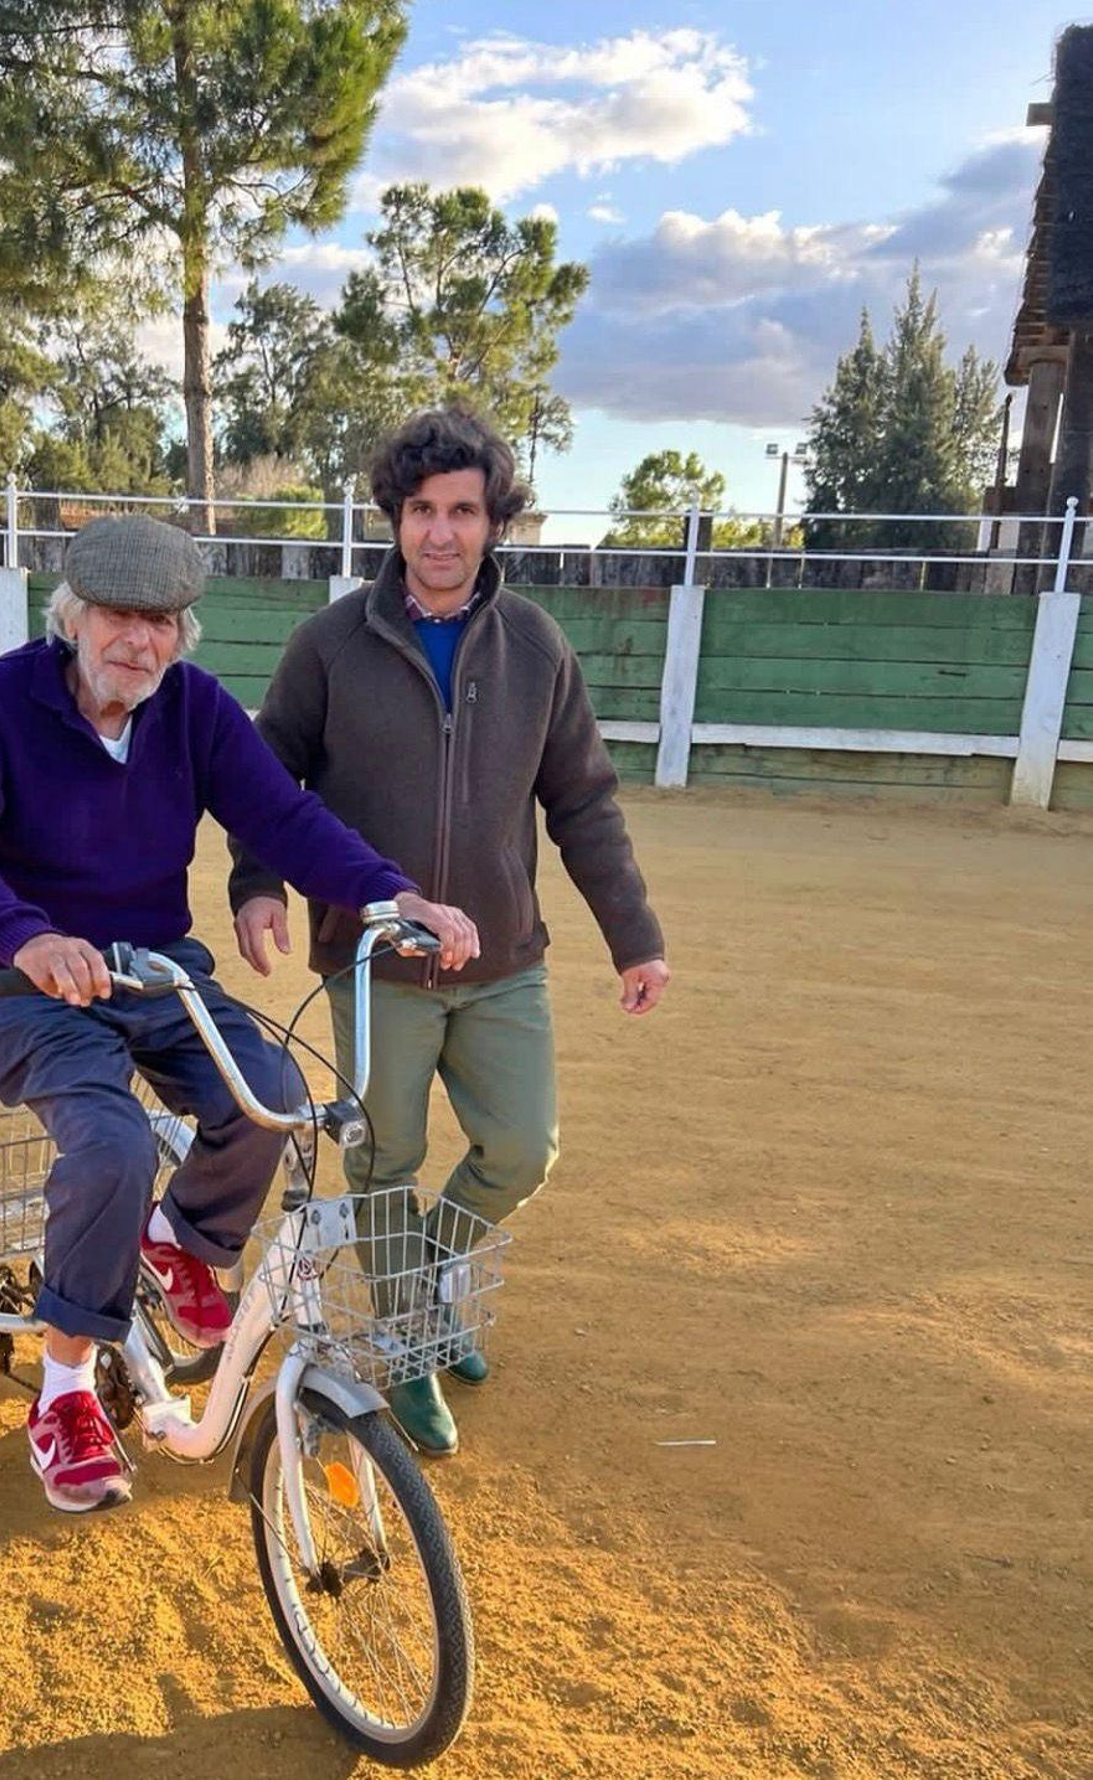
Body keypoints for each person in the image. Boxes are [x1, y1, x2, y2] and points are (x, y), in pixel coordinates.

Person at [0, 513, 477, 1513]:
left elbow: (286, 819)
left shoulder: (194, 711)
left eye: (164, 621)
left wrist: (394, 898)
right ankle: (67, 1387)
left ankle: (181, 1241)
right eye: (121, 617)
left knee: (270, 1094)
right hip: (10, 976)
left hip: (151, 970)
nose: (142, 641)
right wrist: (25, 937)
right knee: (113, 1143)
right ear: (74, 615)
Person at [230, 406, 669, 1457]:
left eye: (462, 510)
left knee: (523, 1146)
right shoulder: (328, 643)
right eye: (420, 510)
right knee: (384, 1162)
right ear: (393, 517)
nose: (439, 532)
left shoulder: (535, 646)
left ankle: (423, 1278)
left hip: (502, 958)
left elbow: (584, 801)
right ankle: (413, 1345)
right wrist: (258, 882)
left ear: (493, 520)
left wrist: (635, 935)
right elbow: (261, 775)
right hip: (374, 958)